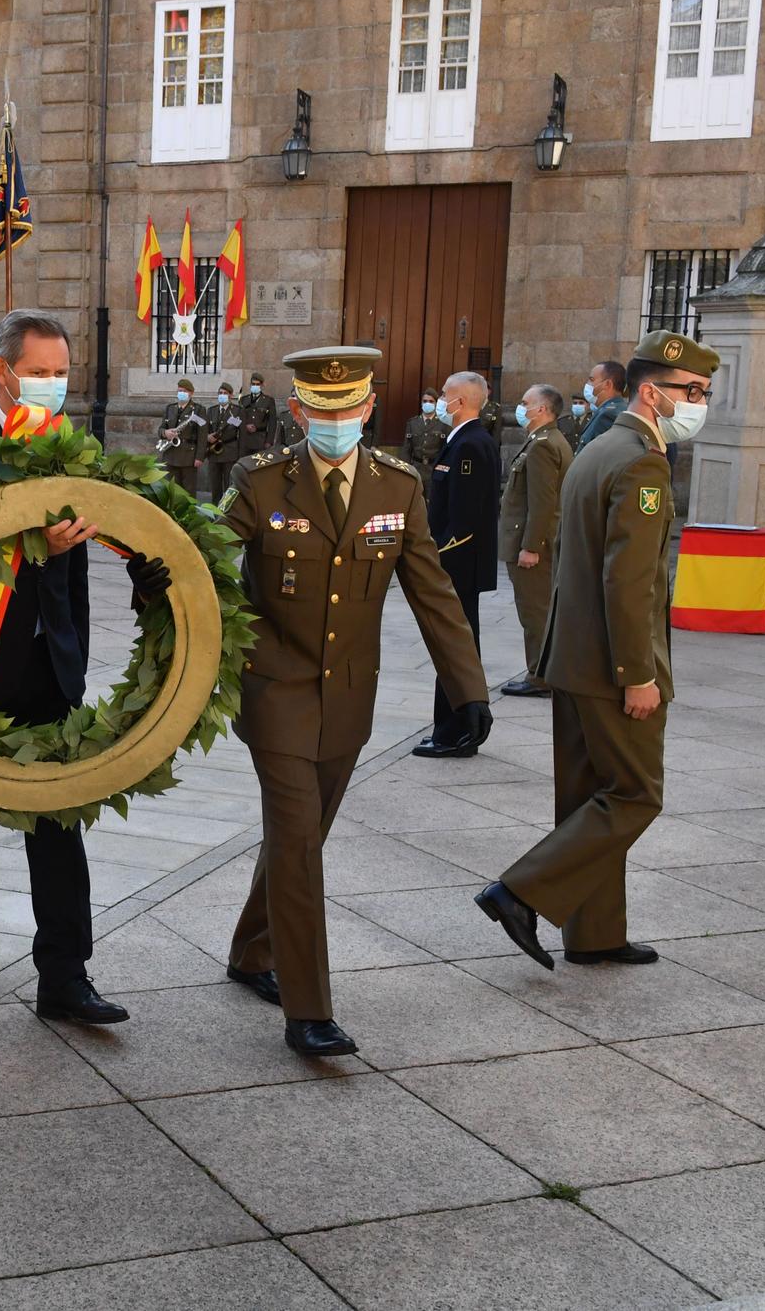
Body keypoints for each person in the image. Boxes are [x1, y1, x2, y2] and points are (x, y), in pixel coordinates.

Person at [220, 347, 489, 1055]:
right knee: (301, 842)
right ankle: (308, 1009)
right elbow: (210, 556)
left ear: (370, 409)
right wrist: (161, 580)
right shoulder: (260, 480)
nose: (336, 420)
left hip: (347, 699)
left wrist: (468, 690)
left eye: (349, 409)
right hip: (274, 690)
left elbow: (434, 591)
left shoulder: (396, 487)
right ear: (299, 411)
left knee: (299, 836)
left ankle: (252, 949)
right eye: (321, 410)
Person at [0, 309, 156, 1024]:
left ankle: (65, 972)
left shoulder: (71, 447)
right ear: (2, 370)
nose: (53, 386)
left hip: (50, 659)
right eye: (42, 372)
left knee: (57, 820)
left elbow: (115, 541)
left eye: (62, 373)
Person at [478, 331, 719, 971]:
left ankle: (594, 934)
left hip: (574, 657)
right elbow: (628, 580)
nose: (699, 402)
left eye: (703, 391)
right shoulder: (641, 460)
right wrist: (638, 674)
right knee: (636, 793)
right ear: (651, 391)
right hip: (613, 665)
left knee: (588, 798)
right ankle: (519, 891)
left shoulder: (600, 445)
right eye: (690, 391)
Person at [416, 371, 500, 757]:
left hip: (459, 566)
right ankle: (452, 728)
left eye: (445, 396)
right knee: (454, 648)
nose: (438, 402)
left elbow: (465, 523)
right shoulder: (461, 442)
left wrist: (434, 559)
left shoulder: (471, 445)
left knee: (457, 649)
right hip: (456, 565)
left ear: (461, 402)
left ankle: (458, 732)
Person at [498, 385, 572, 698]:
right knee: (540, 609)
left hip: (532, 545)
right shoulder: (544, 440)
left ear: (542, 409)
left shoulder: (543, 445)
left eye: (526, 403)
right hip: (536, 540)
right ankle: (545, 670)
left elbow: (543, 503)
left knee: (535, 612)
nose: (521, 407)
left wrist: (531, 546)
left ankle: (540, 675)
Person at [159, 378, 206, 491]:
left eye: (185, 391)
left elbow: (203, 436)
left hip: (188, 457)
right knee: (172, 490)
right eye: (180, 391)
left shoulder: (199, 410)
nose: (182, 393)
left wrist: (199, 457)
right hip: (171, 455)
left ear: (191, 393)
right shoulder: (170, 408)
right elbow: (160, 429)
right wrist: (165, 433)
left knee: (188, 491)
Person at [576, 359, 626, 450]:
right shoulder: (614, 408)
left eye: (591, 380)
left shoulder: (608, 415)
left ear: (607, 384)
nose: (587, 384)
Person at [204, 382, 241, 498]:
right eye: (220, 393)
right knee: (215, 486)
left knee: (229, 486)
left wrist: (240, 454)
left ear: (231, 395)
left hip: (230, 452)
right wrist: (207, 436)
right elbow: (204, 430)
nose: (222, 395)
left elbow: (242, 435)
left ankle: (228, 513)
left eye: (225, 393)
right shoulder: (211, 410)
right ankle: (215, 513)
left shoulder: (237, 411)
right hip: (213, 453)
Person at [404, 388, 442, 487]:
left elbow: (445, 450)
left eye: (431, 401)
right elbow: (406, 449)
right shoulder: (412, 423)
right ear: (421, 403)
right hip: (416, 469)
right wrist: (407, 469)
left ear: (436, 403)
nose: (427, 404)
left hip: (433, 470)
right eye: (425, 401)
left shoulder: (443, 424)